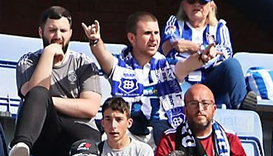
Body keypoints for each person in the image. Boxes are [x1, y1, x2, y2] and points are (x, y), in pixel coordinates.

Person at [7, 6, 106, 156]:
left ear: (70, 34)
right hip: (43, 131)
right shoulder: (28, 61)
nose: (58, 36)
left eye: (63, 30)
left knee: (91, 139)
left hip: (77, 130)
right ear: (41, 32)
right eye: (52, 30)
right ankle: (20, 147)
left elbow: (90, 108)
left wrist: (49, 102)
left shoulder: (84, 63)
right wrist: (48, 53)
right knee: (38, 92)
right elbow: (32, 94)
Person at [85, 11, 200, 139]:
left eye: (156, 33)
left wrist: (202, 57)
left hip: (160, 129)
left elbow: (187, 64)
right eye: (147, 33)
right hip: (125, 128)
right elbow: (102, 55)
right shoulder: (119, 64)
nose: (154, 38)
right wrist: (95, 40)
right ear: (132, 38)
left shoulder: (166, 65)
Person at [160, 0, 250, 110]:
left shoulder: (220, 27)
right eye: (191, 1)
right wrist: (203, 50)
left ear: (211, 5)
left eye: (202, 1)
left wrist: (190, 48)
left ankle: (241, 107)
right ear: (184, 5)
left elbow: (226, 53)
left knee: (232, 64)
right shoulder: (174, 23)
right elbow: (174, 44)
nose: (197, 5)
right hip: (181, 82)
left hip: (211, 83)